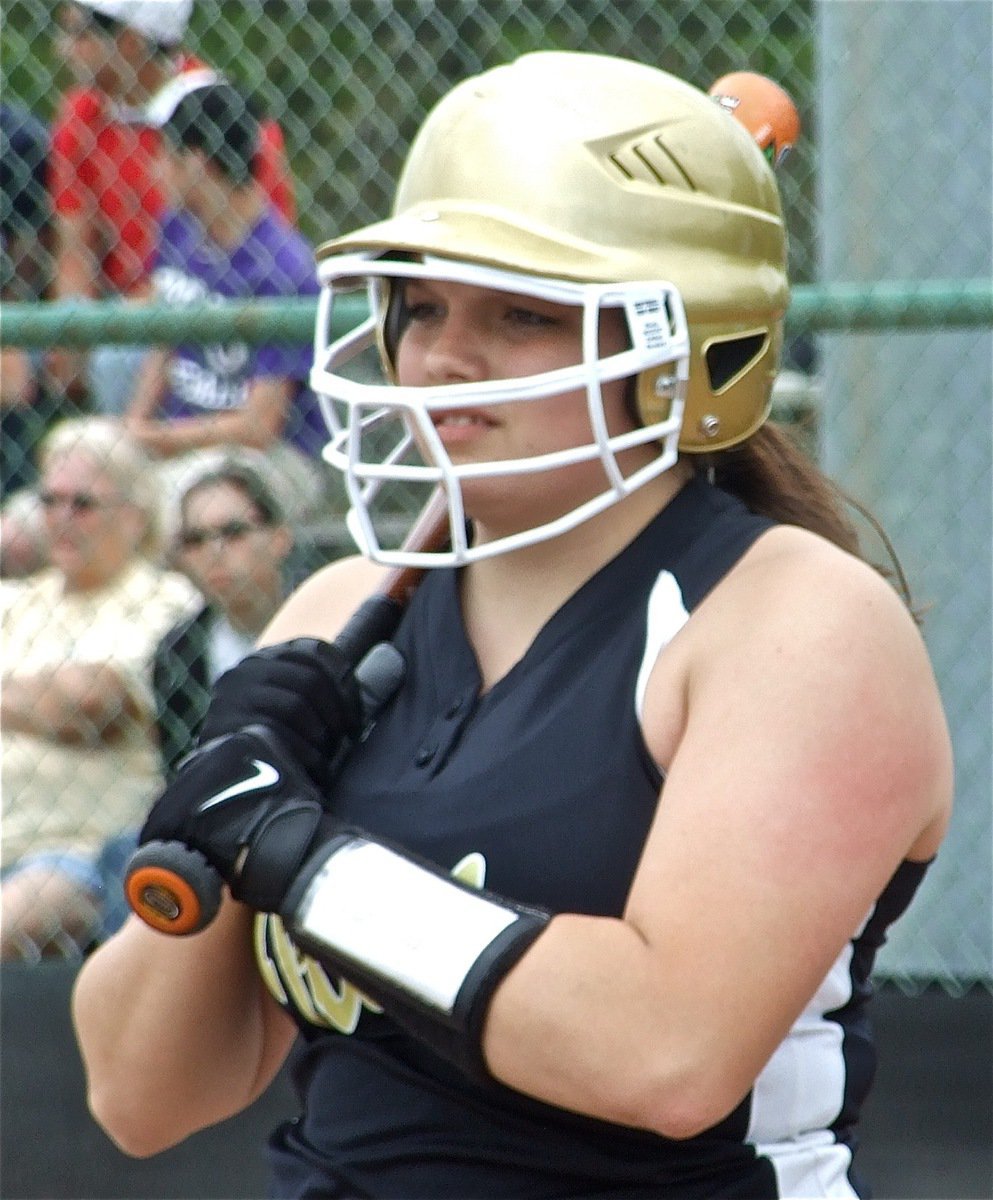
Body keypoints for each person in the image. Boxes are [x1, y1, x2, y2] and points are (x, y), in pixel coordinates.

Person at [72, 53, 952, 1198]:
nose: (444, 358)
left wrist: (305, 862)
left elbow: (666, 1053)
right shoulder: (344, 614)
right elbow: (139, 1095)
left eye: (523, 313)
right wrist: (220, 816)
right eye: (424, 305)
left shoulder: (795, 621)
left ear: (685, 345)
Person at [1, 417, 198, 959]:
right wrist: (40, 698)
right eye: (50, 501)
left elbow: (90, 705)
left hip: (76, 852)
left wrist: (53, 699)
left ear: (135, 515)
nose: (61, 518)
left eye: (82, 504)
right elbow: (60, 700)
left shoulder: (163, 600)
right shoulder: (17, 602)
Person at [46, 0, 295, 413]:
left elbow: (255, 256)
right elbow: (75, 251)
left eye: (79, 35)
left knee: (117, 360)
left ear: (130, 41)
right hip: (119, 307)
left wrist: (117, 323)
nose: (62, 49)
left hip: (208, 307)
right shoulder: (81, 115)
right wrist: (73, 334)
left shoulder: (223, 115)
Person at [122, 80, 329, 530]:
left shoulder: (284, 268)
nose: (154, 170)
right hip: (178, 440)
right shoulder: (178, 227)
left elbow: (257, 428)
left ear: (197, 162)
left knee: (145, 511)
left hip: (271, 457)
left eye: (165, 156)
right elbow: (164, 343)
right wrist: (130, 432)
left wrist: (153, 439)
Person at [154, 456, 294, 778]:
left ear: (279, 539)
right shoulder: (179, 652)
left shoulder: (327, 620)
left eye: (233, 532)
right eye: (195, 540)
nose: (213, 552)